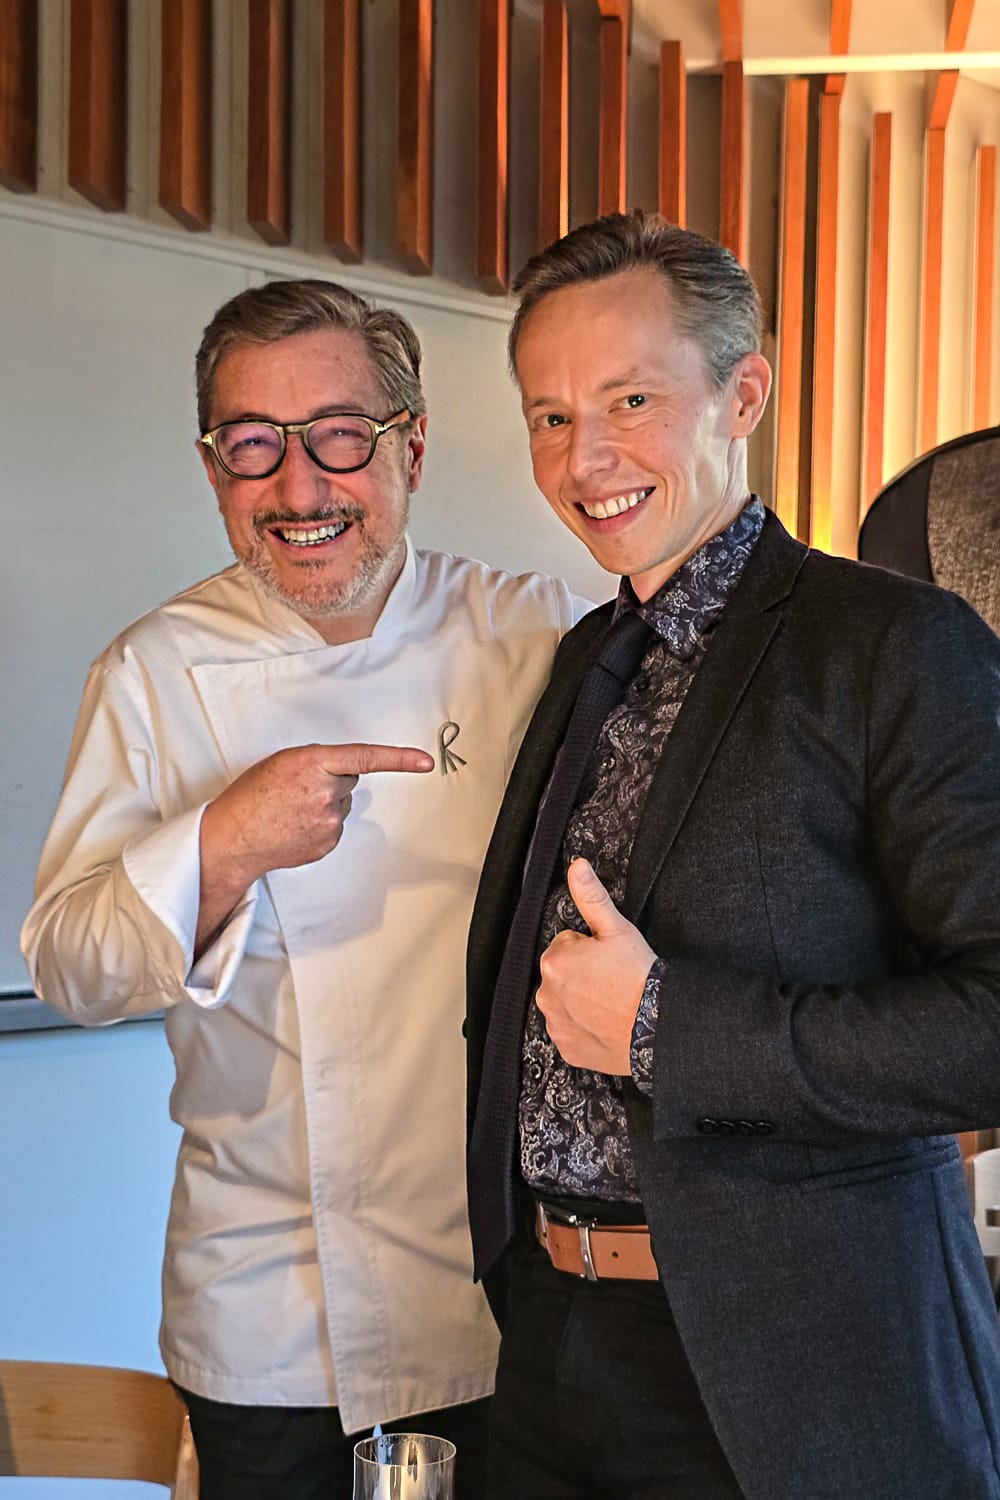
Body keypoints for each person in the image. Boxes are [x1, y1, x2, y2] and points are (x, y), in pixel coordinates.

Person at [21, 278, 587, 1500]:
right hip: (267, 1305)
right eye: (252, 445)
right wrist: (222, 843)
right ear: (211, 466)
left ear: (411, 448)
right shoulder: (154, 671)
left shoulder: (537, 636)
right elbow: (69, 967)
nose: (298, 487)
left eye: (339, 435)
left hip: (500, 1283)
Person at [465, 210, 1000, 1500]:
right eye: (550, 416)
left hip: (792, 1371)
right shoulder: (584, 656)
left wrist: (664, 1027)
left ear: (741, 395)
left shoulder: (895, 645)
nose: (585, 457)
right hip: (545, 1337)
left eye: (630, 400)